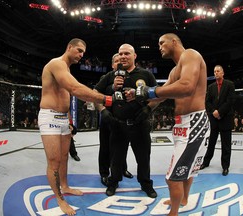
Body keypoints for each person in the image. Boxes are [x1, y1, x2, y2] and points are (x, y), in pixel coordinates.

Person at [133, 33, 210, 216]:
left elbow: (187, 86)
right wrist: (144, 108)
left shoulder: (190, 55)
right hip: (183, 124)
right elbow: (162, 95)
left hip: (194, 122)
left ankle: (173, 213)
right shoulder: (175, 70)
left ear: (174, 41)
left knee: (172, 178)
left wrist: (150, 91)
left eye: (162, 43)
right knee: (187, 168)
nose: (159, 47)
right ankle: (183, 199)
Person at [37, 38, 115, 216]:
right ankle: (60, 199)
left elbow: (66, 97)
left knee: (64, 157)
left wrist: (70, 120)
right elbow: (74, 88)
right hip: (49, 117)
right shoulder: (56, 64)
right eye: (79, 50)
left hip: (64, 118)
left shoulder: (66, 69)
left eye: (83, 53)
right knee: (54, 161)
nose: (81, 55)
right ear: (69, 47)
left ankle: (65, 186)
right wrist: (106, 98)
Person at [95, 44, 159, 198]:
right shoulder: (111, 76)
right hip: (118, 124)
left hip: (140, 124)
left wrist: (148, 109)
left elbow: (158, 95)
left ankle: (145, 184)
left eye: (127, 53)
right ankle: (113, 182)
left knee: (143, 158)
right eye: (120, 53)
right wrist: (102, 110)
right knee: (116, 160)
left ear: (134, 56)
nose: (123, 56)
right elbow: (94, 93)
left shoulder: (145, 74)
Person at [94, 53, 133, 187]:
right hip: (108, 117)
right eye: (116, 61)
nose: (118, 63)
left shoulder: (128, 77)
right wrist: (103, 111)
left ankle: (122, 169)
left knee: (122, 147)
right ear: (112, 65)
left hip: (123, 117)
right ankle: (104, 173)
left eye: (120, 62)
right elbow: (96, 94)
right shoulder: (106, 77)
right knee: (105, 147)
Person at [200, 65, 235, 177]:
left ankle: (225, 167)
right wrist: (214, 112)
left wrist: (220, 112)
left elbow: (230, 101)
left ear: (222, 72)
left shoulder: (230, 85)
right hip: (214, 119)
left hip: (225, 118)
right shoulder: (211, 87)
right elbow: (207, 102)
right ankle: (206, 162)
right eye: (214, 71)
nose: (216, 73)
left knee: (226, 145)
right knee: (211, 143)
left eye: (218, 71)